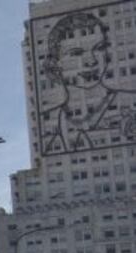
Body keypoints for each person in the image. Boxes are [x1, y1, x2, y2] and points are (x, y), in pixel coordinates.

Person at [40, 11, 136, 154]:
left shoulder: (131, 101)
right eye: (76, 53)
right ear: (55, 64)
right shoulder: (48, 125)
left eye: (99, 48)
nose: (92, 61)